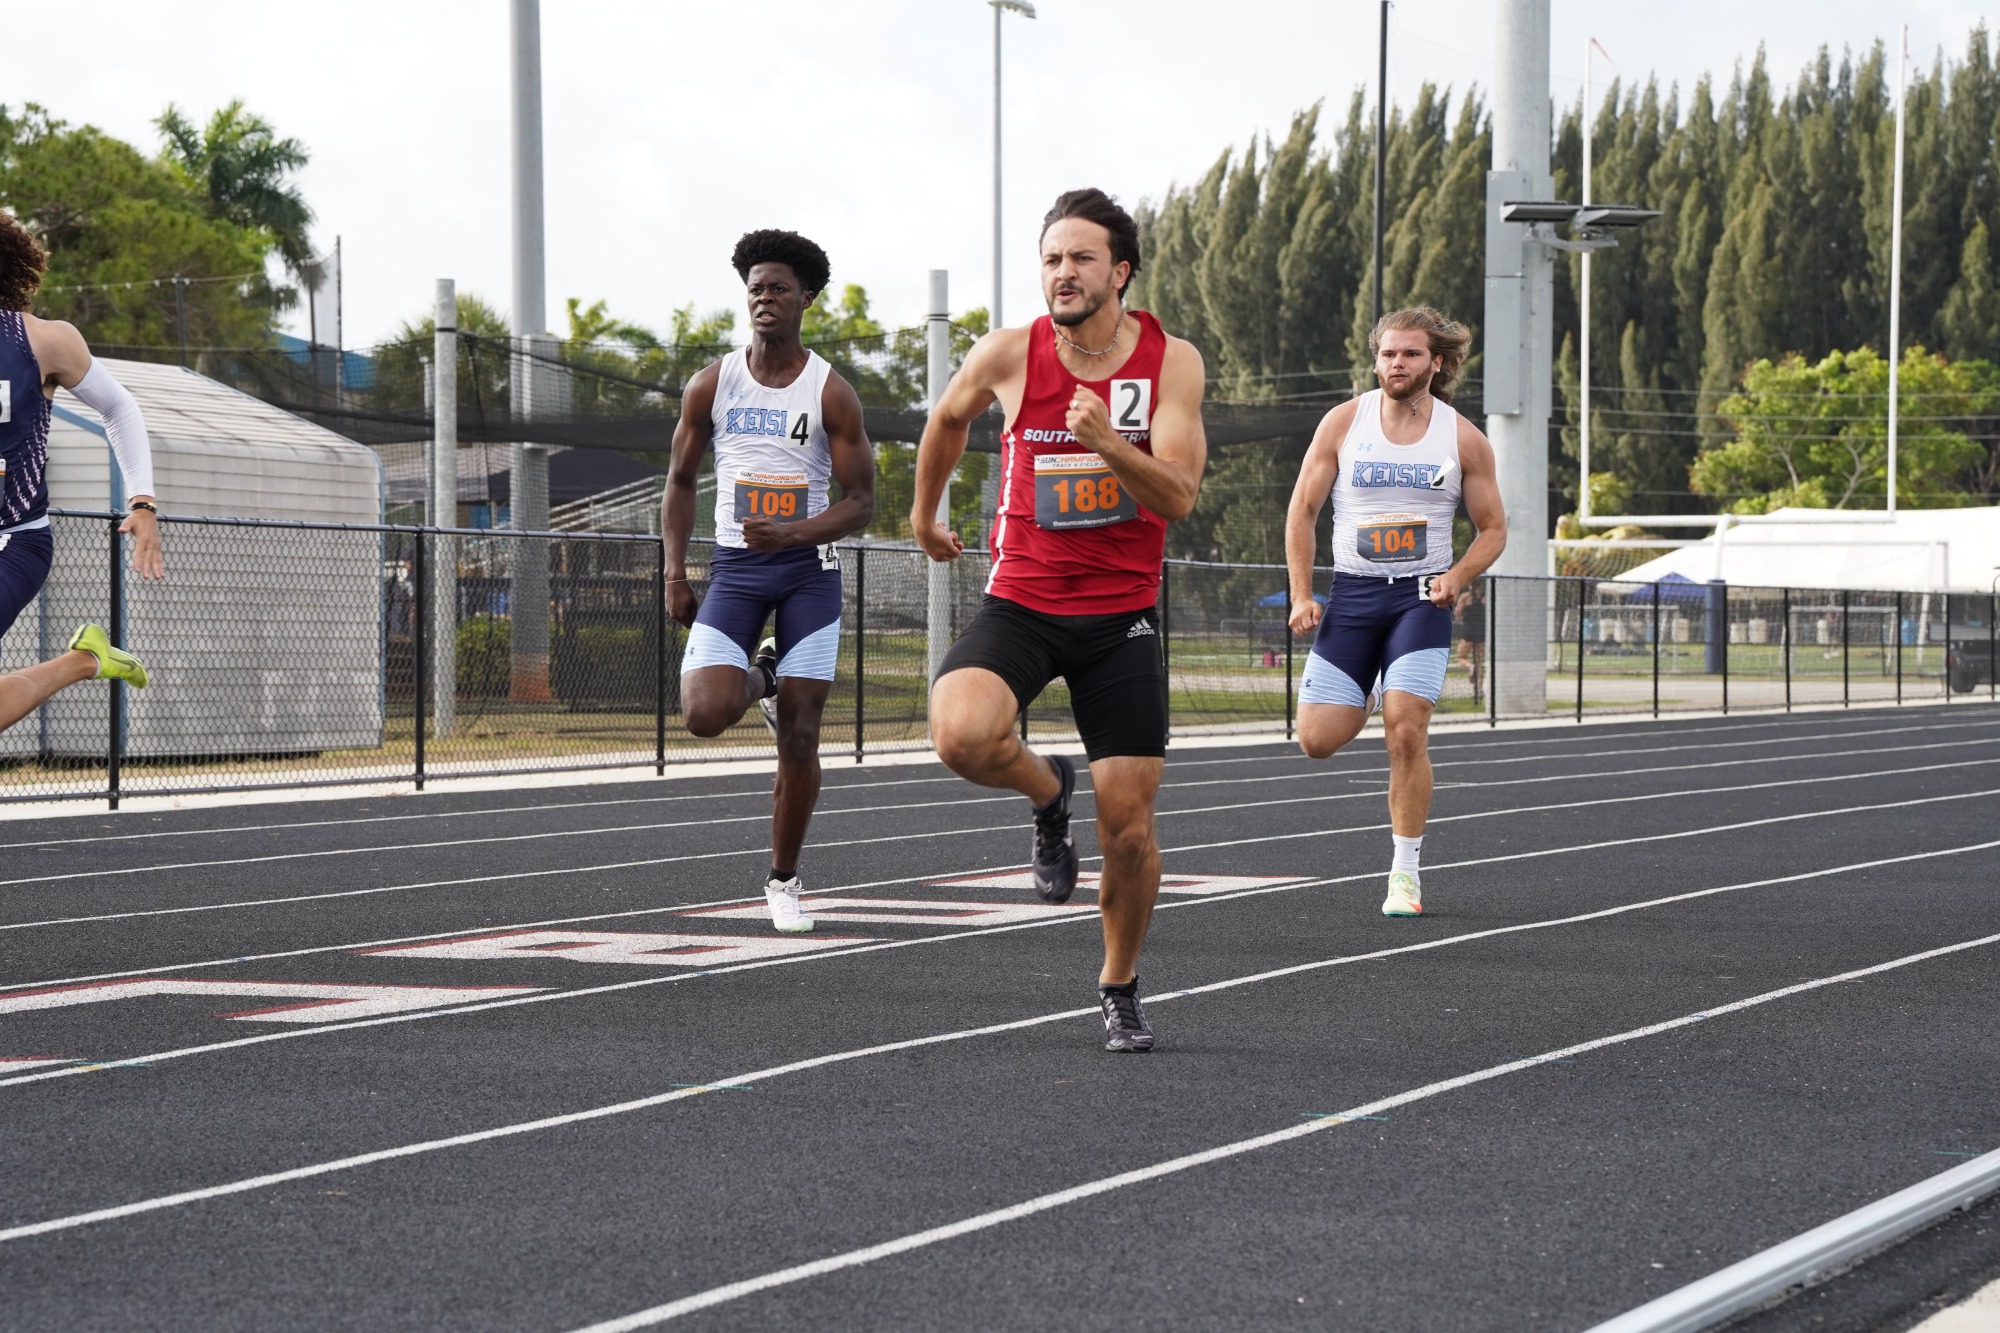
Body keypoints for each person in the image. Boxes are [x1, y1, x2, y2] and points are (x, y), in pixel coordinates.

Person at [912, 188, 1207, 1053]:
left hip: (1122, 618)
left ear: (1120, 271)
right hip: (1024, 601)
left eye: (1081, 258)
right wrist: (925, 517)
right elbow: (946, 419)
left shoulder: (1170, 361)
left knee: (1130, 830)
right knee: (959, 734)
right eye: (1050, 259)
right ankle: (1047, 790)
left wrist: (1109, 442)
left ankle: (1119, 984)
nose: (1062, 273)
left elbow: (1179, 496)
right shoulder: (1010, 352)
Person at [662, 229, 875, 933]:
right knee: (703, 714)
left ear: (805, 298)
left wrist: (793, 533)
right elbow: (680, 480)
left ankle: (783, 881)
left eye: (779, 288)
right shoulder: (713, 383)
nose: (764, 298)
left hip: (808, 572)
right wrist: (674, 570)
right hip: (736, 568)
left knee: (801, 736)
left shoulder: (830, 392)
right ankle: (767, 674)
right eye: (756, 288)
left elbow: (861, 501)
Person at [1284, 307, 1505, 917]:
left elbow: (1493, 528)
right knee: (1316, 741)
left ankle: (1404, 873)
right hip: (1353, 595)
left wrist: (1457, 577)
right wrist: (1302, 594)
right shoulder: (1343, 422)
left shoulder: (1463, 438)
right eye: (1388, 353)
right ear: (1376, 358)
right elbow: (1303, 510)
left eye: (1410, 354)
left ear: (1437, 362)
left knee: (1405, 731)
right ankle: (1378, 680)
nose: (1397, 363)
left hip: (1420, 598)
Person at [0, 212, 161, 734]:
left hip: (14, 542)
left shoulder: (42, 341)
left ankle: (83, 660)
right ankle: (85, 659)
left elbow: (119, 407)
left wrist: (142, 502)